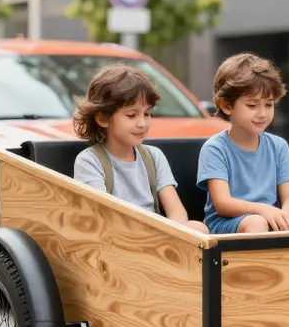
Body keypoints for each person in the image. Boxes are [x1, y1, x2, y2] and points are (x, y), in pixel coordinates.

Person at [197, 53, 289, 234]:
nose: (262, 113)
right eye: (252, 105)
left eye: (269, 105)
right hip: (230, 223)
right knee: (256, 223)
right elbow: (223, 203)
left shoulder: (278, 146)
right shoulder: (215, 148)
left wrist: (286, 218)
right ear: (226, 105)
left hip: (272, 217)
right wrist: (264, 210)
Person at [72, 64, 209, 234]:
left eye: (147, 114)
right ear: (102, 118)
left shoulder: (154, 156)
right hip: (117, 238)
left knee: (198, 228)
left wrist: (175, 236)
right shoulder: (89, 161)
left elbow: (177, 212)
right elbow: (102, 217)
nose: (142, 123)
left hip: (158, 235)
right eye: (131, 115)